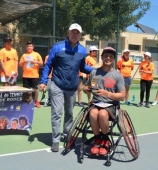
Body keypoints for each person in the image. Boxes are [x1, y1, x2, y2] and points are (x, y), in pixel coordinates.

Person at [39, 23, 94, 152]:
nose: (75, 34)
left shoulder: (82, 50)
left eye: (77, 32)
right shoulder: (58, 47)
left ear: (80, 35)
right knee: (56, 113)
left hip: (72, 87)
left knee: (69, 113)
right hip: (57, 85)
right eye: (72, 32)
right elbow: (48, 65)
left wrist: (96, 70)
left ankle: (67, 136)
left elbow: (82, 67)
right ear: (68, 33)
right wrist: (43, 81)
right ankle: (55, 141)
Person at [83, 47, 125, 156]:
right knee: (93, 113)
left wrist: (107, 94)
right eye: (106, 56)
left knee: (102, 113)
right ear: (101, 57)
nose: (108, 58)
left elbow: (122, 96)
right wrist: (86, 89)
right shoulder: (94, 73)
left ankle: (105, 139)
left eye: (111, 57)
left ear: (114, 59)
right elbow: (88, 86)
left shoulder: (117, 75)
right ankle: (97, 139)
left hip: (110, 104)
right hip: (96, 102)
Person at [19, 41, 43, 108]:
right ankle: (29, 101)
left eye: (30, 46)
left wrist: (34, 61)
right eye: (28, 46)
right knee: (27, 89)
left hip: (34, 75)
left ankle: (36, 101)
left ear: (33, 47)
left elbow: (41, 63)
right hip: (26, 75)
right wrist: (24, 61)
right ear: (26, 47)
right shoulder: (24, 55)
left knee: (35, 89)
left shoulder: (36, 54)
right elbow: (20, 65)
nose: (29, 47)